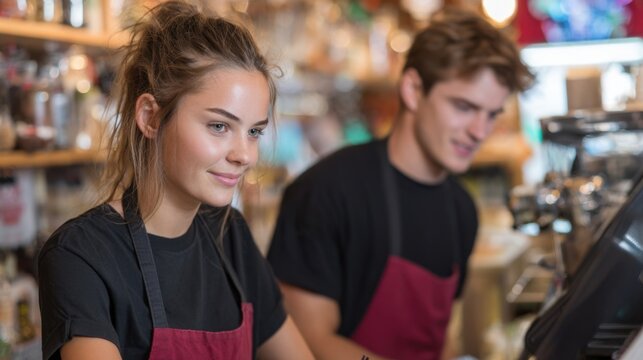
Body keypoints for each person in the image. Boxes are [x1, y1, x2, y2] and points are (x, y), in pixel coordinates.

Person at [37, 1, 314, 359]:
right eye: (219, 126)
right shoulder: (80, 256)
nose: (244, 155)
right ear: (151, 117)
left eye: (255, 131)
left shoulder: (230, 236)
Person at [267, 7, 534, 360]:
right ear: (412, 89)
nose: (480, 132)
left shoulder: (460, 209)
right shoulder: (327, 191)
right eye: (464, 107)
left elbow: (440, 340)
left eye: (492, 114)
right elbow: (306, 342)